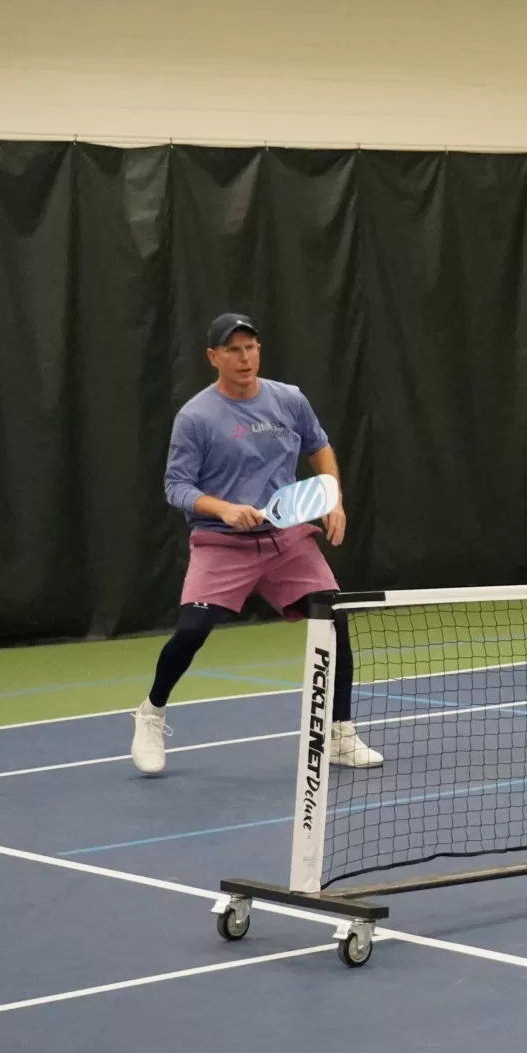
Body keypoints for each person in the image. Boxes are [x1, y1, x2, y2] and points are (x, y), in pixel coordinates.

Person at [131, 313, 382, 776]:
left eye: (250, 347)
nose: (243, 357)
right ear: (213, 357)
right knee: (191, 632)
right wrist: (224, 508)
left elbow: (319, 445)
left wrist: (333, 497)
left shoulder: (289, 399)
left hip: (287, 540)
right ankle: (151, 713)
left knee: (335, 620)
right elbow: (177, 486)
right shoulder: (196, 418)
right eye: (232, 350)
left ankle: (340, 734)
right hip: (222, 544)